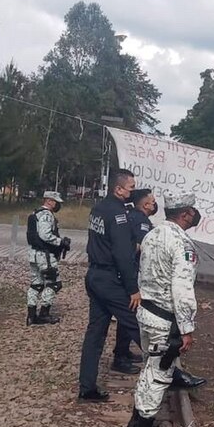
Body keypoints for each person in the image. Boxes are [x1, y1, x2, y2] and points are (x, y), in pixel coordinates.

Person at [126, 192, 203, 427]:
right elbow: (182, 291)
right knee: (159, 375)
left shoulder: (153, 235)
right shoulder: (182, 245)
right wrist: (187, 328)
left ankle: (135, 425)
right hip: (164, 320)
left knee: (150, 367)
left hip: (146, 314)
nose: (195, 214)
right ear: (185, 214)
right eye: (193, 210)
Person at [78, 169, 142, 402]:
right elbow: (123, 255)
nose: (133, 191)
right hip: (109, 279)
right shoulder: (118, 214)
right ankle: (169, 372)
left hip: (94, 275)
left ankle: (87, 388)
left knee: (95, 334)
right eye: (131, 187)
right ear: (118, 189)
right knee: (137, 324)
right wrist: (133, 288)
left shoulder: (99, 208)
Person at [26, 191, 69, 326]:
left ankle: (31, 315)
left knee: (36, 284)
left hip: (34, 254)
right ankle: (44, 313)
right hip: (45, 256)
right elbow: (45, 235)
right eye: (56, 202)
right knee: (54, 283)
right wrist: (60, 242)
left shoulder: (36, 213)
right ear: (49, 201)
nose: (57, 205)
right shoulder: (46, 215)